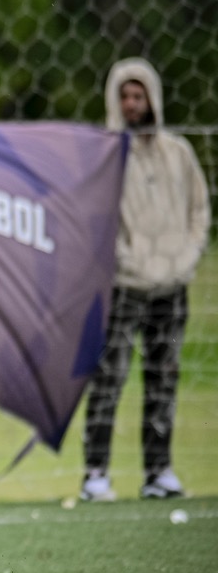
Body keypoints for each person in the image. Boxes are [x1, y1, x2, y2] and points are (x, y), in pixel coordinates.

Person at [80, 58, 210, 502]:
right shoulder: (107, 157)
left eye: (139, 95)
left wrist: (185, 257)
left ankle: (159, 471)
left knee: (163, 376)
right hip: (123, 286)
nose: (132, 104)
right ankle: (96, 472)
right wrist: (127, 259)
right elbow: (96, 219)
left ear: (153, 97)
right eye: (125, 96)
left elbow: (199, 210)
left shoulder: (178, 153)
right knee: (110, 377)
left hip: (171, 287)